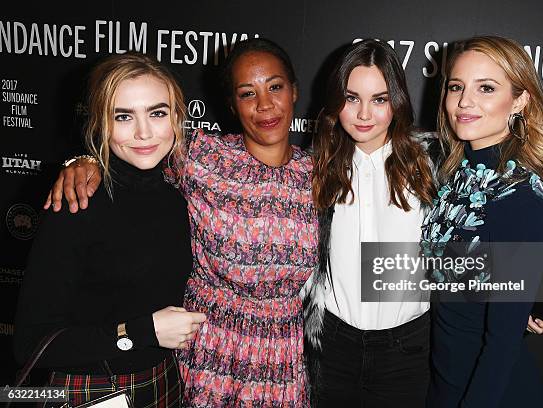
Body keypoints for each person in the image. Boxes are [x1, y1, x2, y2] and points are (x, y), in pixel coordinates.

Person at [44, 38, 318, 407]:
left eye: (275, 87)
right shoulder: (201, 159)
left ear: (294, 90)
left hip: (280, 356)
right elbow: (136, 153)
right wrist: (82, 161)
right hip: (205, 350)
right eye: (247, 93)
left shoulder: (321, 175)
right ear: (232, 105)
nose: (265, 105)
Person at [14, 52, 204, 408]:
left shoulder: (179, 197)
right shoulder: (77, 203)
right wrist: (141, 332)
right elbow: (29, 343)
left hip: (163, 383)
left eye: (157, 113)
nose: (144, 132)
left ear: (177, 118)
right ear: (101, 123)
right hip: (88, 391)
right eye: (124, 116)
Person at [421, 35, 543, 407]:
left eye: (486, 88)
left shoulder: (518, 197)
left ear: (519, 100)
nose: (465, 101)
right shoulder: (456, 175)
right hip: (445, 382)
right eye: (456, 87)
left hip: (490, 392)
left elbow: (501, 345)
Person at [305, 39, 438, 407]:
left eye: (379, 99)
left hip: (407, 350)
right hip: (332, 347)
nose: (364, 113)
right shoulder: (314, 169)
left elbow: (481, 230)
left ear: (396, 100)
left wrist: (529, 296)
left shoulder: (432, 166)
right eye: (351, 98)